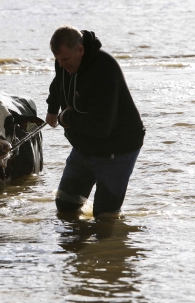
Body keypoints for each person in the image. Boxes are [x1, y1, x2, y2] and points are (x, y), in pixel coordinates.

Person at [45, 25, 146, 217]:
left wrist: (66, 117)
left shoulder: (104, 69)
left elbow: (101, 127)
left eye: (65, 59)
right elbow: (58, 82)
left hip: (117, 149)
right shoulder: (63, 62)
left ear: (80, 50)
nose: (62, 64)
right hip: (83, 146)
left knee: (105, 215)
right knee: (65, 204)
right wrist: (52, 109)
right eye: (57, 60)